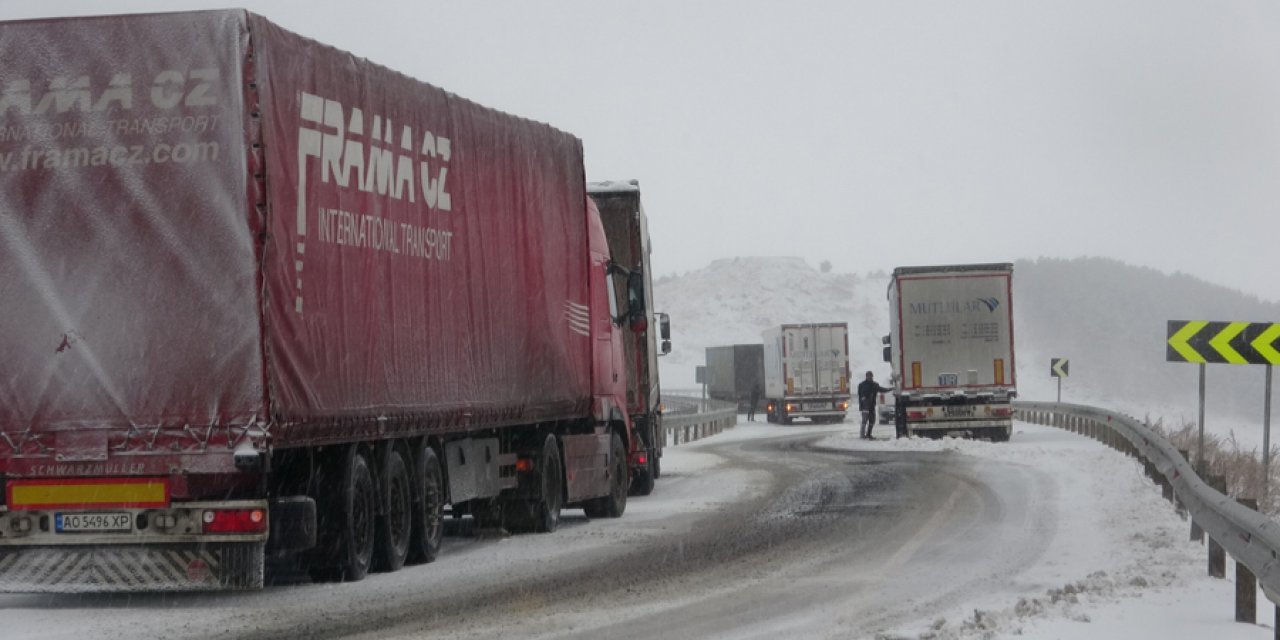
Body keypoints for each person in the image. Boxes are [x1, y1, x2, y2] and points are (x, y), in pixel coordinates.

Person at [857, 371, 892, 439]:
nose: (869, 377)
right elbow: (860, 395)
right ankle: (862, 435)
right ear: (866, 376)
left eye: (870, 376)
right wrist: (863, 402)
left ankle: (869, 434)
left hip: (872, 406)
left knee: (872, 421)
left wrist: (890, 389)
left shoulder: (875, 385)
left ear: (872, 376)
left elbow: (882, 389)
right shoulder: (861, 385)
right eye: (868, 376)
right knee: (864, 420)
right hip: (865, 406)